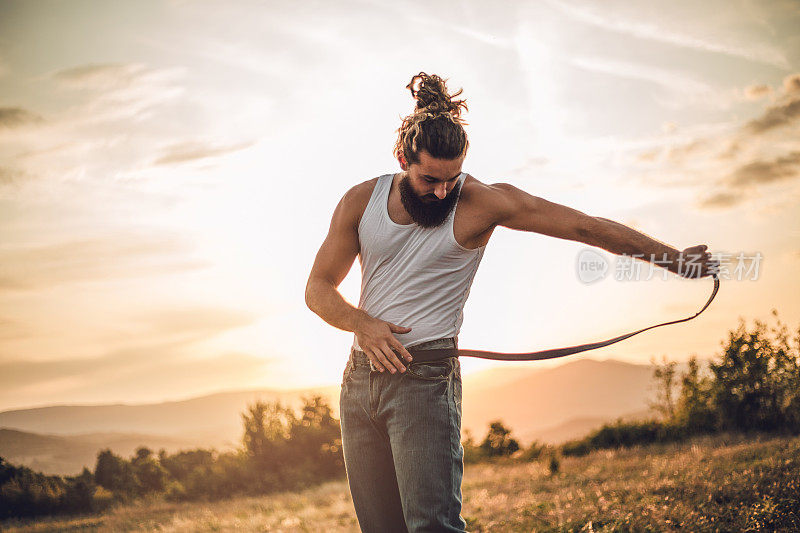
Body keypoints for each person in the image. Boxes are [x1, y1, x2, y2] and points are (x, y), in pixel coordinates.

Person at [305, 72, 717, 532]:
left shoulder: (485, 202)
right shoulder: (360, 201)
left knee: (432, 527)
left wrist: (675, 259)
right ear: (403, 157)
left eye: (451, 178)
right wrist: (360, 322)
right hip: (359, 383)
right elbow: (318, 288)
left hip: (423, 383)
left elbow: (586, 227)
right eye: (428, 179)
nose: (442, 192)